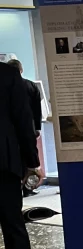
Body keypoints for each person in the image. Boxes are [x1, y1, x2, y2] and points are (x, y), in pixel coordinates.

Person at [0, 62, 41, 249]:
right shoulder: (7, 75)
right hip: (4, 163)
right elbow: (23, 119)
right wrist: (31, 162)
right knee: (14, 227)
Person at [8, 61, 42, 198]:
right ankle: (28, 187)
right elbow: (37, 110)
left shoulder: (6, 88)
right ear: (21, 70)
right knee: (28, 158)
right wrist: (37, 127)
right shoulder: (31, 85)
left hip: (12, 130)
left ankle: (16, 187)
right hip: (29, 127)